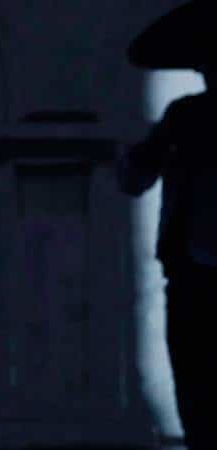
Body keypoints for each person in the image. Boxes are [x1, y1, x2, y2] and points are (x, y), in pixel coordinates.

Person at [121, 4, 217, 449]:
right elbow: (135, 176)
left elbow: (135, 176)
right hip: (191, 273)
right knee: (197, 390)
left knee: (198, 390)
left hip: (192, 273)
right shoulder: (184, 117)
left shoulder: (185, 116)